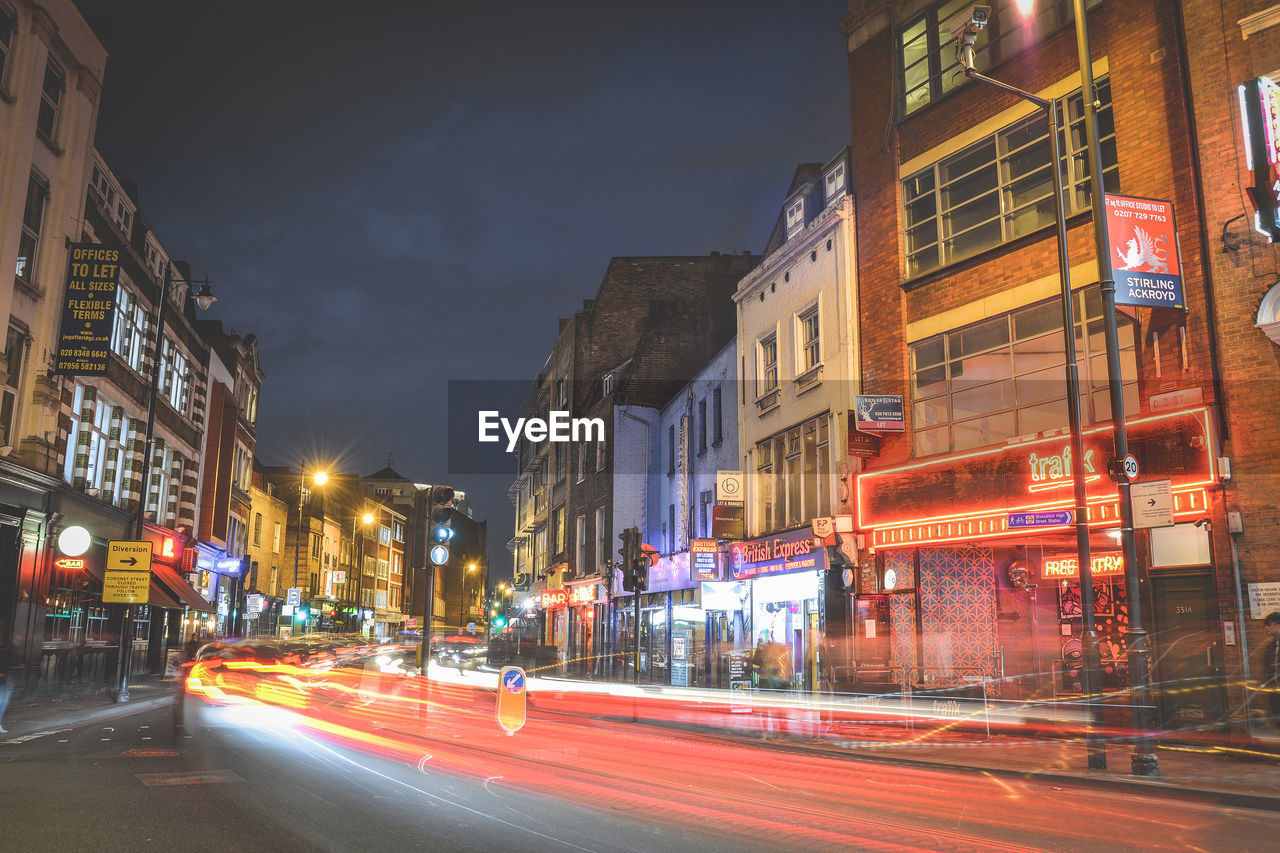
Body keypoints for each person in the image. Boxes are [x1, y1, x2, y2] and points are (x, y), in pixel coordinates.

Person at [1261, 612, 1280, 729]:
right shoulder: (1270, 646)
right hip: (1275, 691)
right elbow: (1267, 667)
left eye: (1269, 625)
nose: (1266, 628)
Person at [0, 631, 13, 734]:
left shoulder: (4, 648)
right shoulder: (4, 649)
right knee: (2, 703)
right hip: (2, 679)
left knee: (3, 703)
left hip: (4, 679)